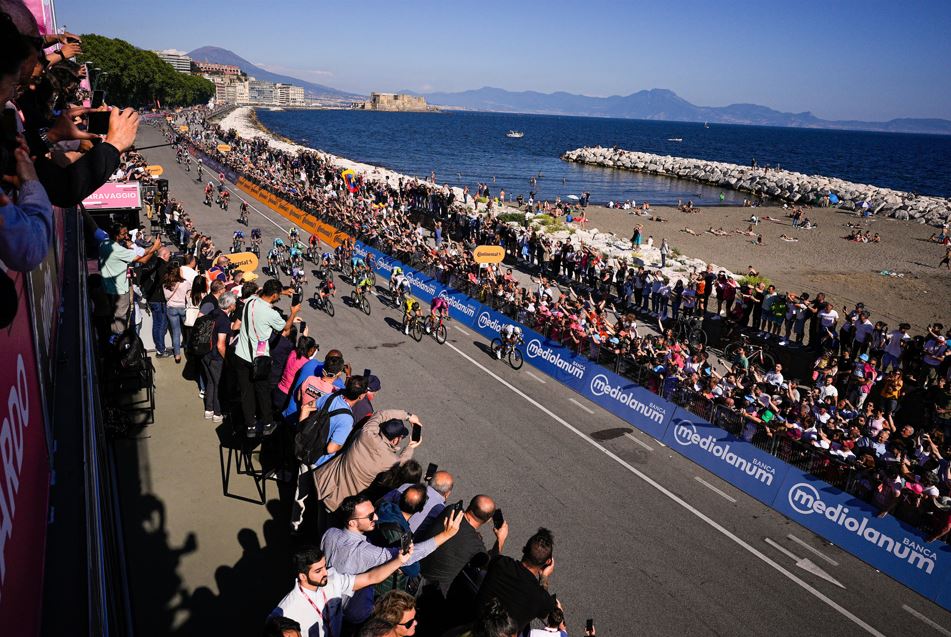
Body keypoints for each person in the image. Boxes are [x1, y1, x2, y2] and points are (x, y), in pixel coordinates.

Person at [321, 495, 464, 628]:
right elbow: (408, 556)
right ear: (352, 522)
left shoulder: (330, 533)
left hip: (325, 601)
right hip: (348, 614)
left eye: (374, 512)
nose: (376, 517)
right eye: (370, 516)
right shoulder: (363, 551)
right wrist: (445, 535)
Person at [270, 544, 414, 637]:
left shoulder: (333, 579)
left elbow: (370, 577)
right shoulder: (286, 610)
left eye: (324, 566)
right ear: (302, 576)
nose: (325, 573)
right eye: (318, 571)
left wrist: (399, 561)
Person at [313, 410, 422, 512]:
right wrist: (410, 447)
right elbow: (403, 465)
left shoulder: (365, 433)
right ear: (396, 439)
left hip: (320, 482)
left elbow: (380, 414)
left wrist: (408, 416)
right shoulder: (391, 461)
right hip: (337, 503)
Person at [234, 278, 302, 437]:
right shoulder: (271, 314)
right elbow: (285, 328)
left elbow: (261, 292)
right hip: (258, 359)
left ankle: (250, 425)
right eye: (278, 295)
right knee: (262, 392)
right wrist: (293, 312)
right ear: (274, 296)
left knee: (246, 392)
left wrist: (282, 291)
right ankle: (267, 423)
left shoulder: (250, 301)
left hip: (241, 354)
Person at [474, 528, 558, 634]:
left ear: (524, 549)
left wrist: (500, 539)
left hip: (473, 626)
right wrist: (544, 577)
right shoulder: (541, 597)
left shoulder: (501, 563)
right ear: (548, 562)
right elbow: (543, 611)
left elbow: (492, 558)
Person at [98, 224, 161, 334]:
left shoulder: (104, 243)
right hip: (120, 291)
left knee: (112, 317)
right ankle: (119, 340)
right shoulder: (118, 250)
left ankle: (113, 336)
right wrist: (154, 248)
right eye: (124, 234)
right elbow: (143, 260)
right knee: (120, 321)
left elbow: (141, 253)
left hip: (107, 288)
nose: (127, 236)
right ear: (117, 235)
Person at [380, 470, 454, 535]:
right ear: (447, 493)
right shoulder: (441, 512)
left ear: (430, 480)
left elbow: (382, 502)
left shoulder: (407, 487)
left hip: (381, 525)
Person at [201, 292, 235, 422]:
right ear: (230, 305)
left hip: (205, 353)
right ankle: (217, 412)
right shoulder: (224, 320)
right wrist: (227, 359)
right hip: (216, 357)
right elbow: (221, 345)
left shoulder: (213, 313)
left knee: (210, 381)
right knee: (218, 384)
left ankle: (209, 409)